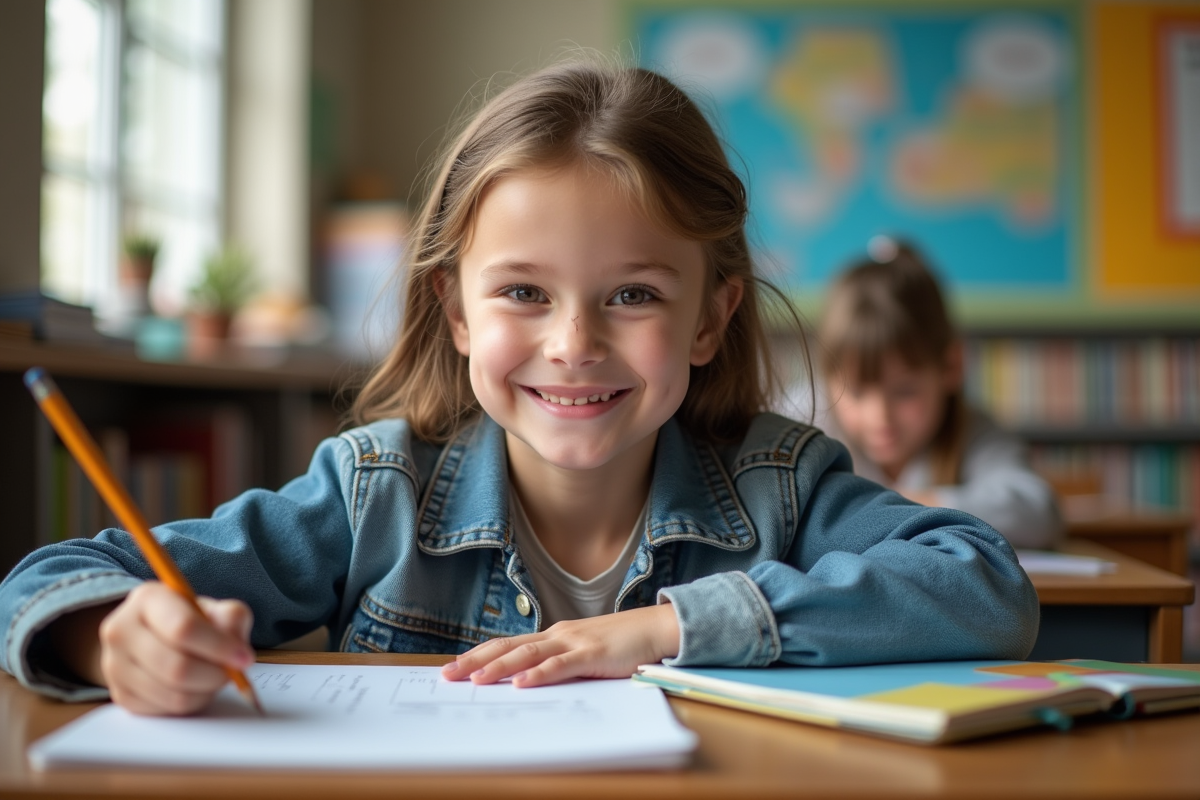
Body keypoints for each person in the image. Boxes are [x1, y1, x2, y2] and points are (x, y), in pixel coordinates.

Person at [0, 61, 1039, 717]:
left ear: (714, 317)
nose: (574, 342)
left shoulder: (783, 482)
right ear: (457, 312)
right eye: (524, 292)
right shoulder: (375, 491)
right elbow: (47, 574)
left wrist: (665, 627)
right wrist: (111, 634)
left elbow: (984, 583)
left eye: (632, 292)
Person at [797, 237, 1062, 549]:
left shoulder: (972, 430)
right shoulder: (806, 417)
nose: (878, 417)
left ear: (951, 366)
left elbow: (1038, 512)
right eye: (855, 393)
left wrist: (896, 505)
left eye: (905, 391)